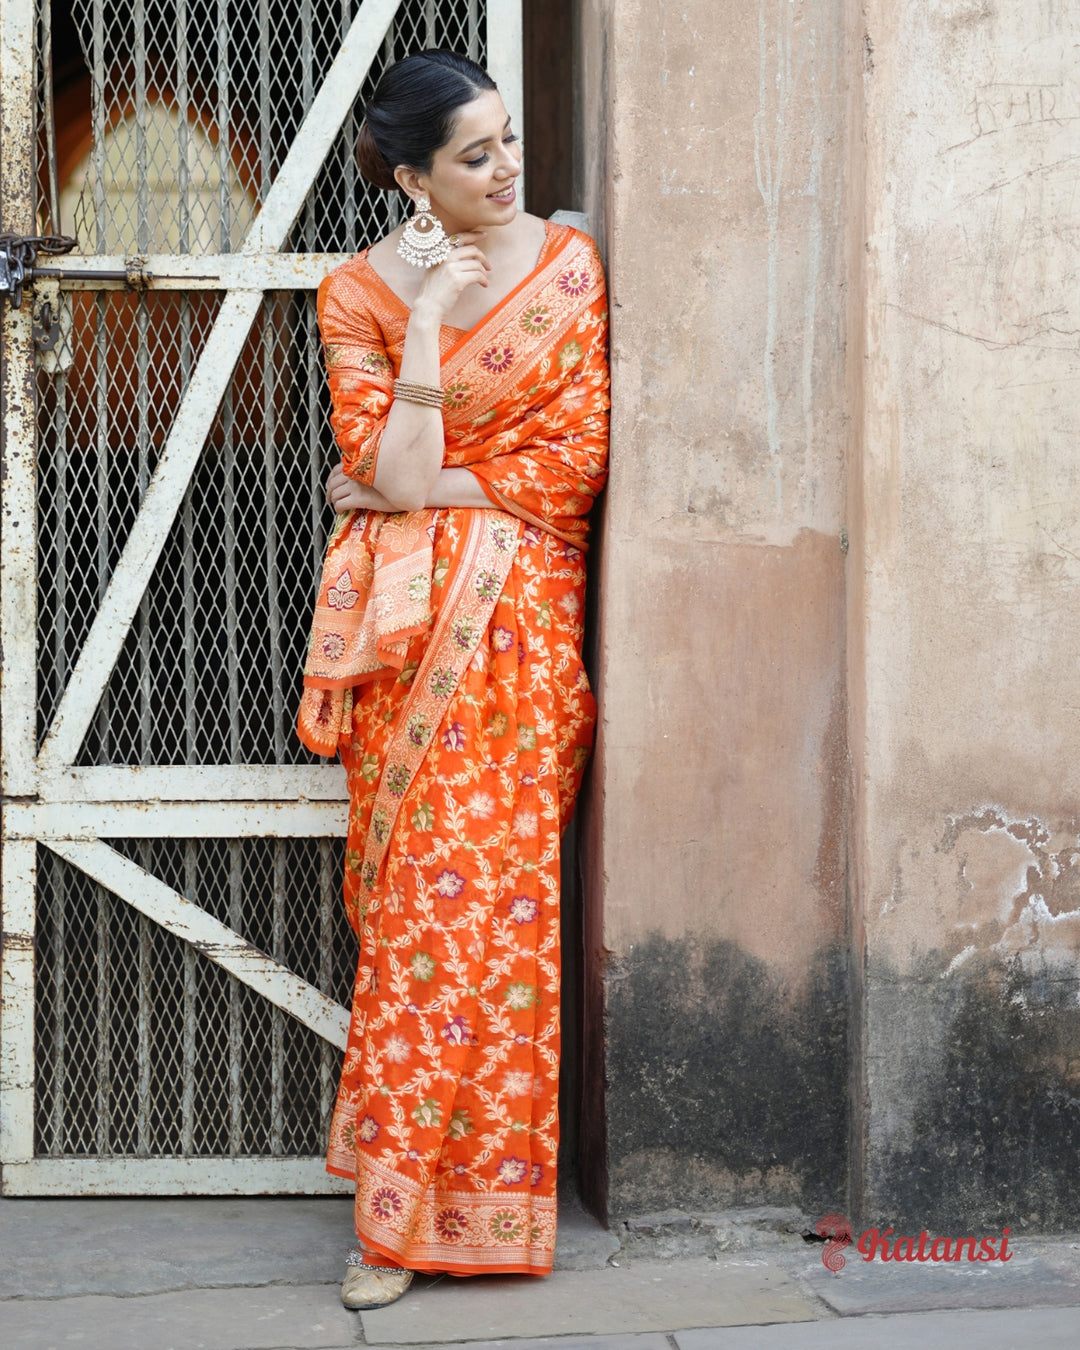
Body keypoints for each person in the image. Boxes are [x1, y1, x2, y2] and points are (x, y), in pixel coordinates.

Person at [295, 50, 610, 1310]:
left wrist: (402, 488)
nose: (506, 171)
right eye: (474, 156)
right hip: (412, 650)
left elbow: (573, 466)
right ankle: (390, 1223)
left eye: (509, 143)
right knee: (421, 931)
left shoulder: (569, 270)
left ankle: (487, 1210)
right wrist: (427, 321)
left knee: (507, 926)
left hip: (521, 639)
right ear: (411, 175)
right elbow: (404, 465)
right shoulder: (357, 297)